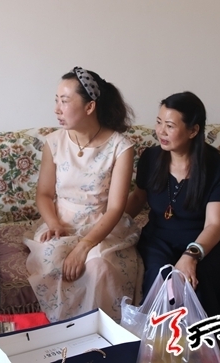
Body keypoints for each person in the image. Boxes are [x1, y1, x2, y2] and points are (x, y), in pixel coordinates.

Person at [24, 67, 142, 323]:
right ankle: (65, 336)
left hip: (103, 227)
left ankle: (101, 337)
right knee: (52, 260)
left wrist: (84, 246)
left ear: (90, 107)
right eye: (56, 100)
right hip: (62, 222)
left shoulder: (120, 147)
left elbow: (115, 208)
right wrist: (53, 223)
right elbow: (44, 194)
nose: (57, 109)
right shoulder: (54, 142)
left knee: (99, 267)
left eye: (65, 101)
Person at [125, 91, 220, 316]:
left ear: (193, 130)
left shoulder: (219, 168)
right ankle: (158, 334)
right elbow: (137, 198)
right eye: (159, 122)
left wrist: (191, 256)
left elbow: (214, 225)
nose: (160, 131)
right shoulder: (150, 158)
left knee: (197, 280)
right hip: (159, 238)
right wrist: (110, 223)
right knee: (160, 275)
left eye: (169, 126)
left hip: (201, 240)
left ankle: (201, 336)